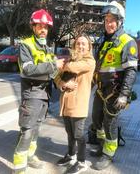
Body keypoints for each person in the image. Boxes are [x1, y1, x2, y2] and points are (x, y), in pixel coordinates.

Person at [13, 9, 65, 174]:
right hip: (32, 92)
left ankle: (30, 156)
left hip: (45, 94)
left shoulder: (48, 48)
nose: (43, 30)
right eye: (40, 26)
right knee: (27, 130)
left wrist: (61, 82)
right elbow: (27, 70)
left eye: (46, 27)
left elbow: (53, 72)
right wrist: (54, 65)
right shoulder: (26, 45)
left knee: (36, 128)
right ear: (33, 27)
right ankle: (19, 167)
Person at [90, 1, 138, 170]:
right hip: (101, 89)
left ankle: (108, 153)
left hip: (115, 92)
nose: (108, 23)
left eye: (112, 20)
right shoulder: (104, 40)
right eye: (106, 20)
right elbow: (99, 66)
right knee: (96, 119)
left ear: (119, 22)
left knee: (110, 123)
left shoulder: (127, 42)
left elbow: (131, 71)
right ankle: (102, 145)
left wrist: (124, 95)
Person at [54, 33, 95, 174]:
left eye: (84, 43)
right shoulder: (70, 60)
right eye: (78, 43)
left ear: (89, 46)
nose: (81, 46)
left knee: (78, 135)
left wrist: (62, 64)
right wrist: (64, 84)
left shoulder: (90, 61)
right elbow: (56, 77)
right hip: (65, 103)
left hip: (79, 104)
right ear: (74, 46)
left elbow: (72, 67)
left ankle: (82, 162)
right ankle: (71, 155)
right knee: (69, 133)